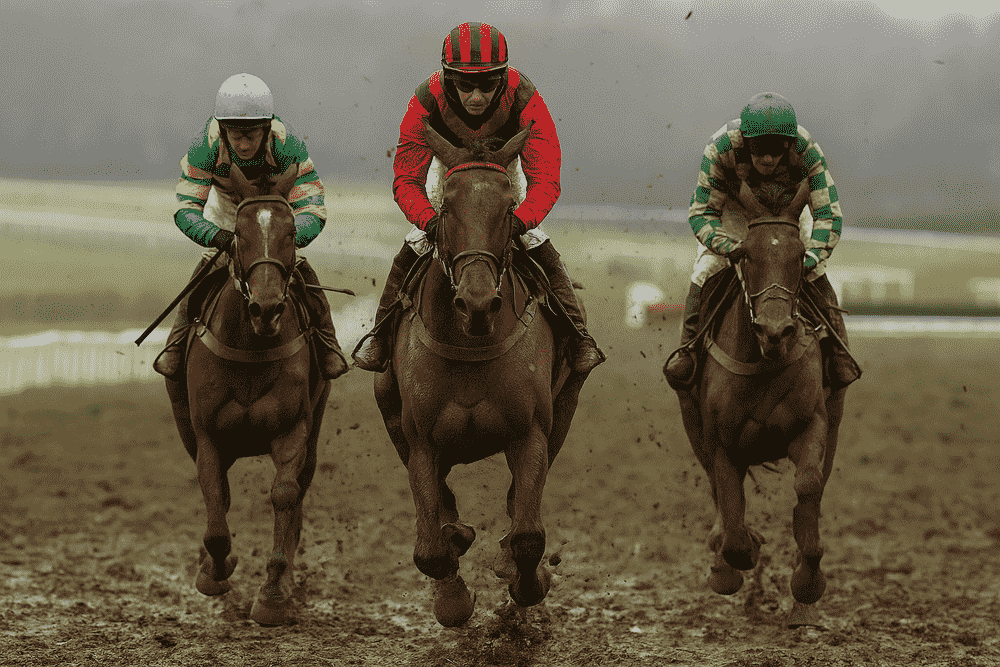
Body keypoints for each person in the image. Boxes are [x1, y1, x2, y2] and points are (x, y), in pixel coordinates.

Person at [352, 21, 604, 375]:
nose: (475, 96)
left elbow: (546, 179)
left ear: (502, 78)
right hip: (447, 177)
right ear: (447, 77)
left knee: (536, 241)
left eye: (486, 85)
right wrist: (430, 221)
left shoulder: (525, 96)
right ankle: (379, 338)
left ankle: (579, 338)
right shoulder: (424, 100)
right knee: (415, 245)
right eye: (465, 85)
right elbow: (407, 180)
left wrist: (519, 219)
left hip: (505, 178)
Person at [153, 73, 348, 380]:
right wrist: (218, 237)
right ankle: (176, 344)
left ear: (266, 129)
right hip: (229, 209)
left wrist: (291, 237)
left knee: (300, 267)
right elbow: (186, 206)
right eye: (235, 136)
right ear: (223, 129)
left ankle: (328, 344)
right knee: (207, 265)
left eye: (252, 136)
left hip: (276, 207)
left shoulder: (287, 143)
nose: (243, 144)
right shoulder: (205, 144)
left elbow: (312, 204)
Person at [664, 92, 859, 390]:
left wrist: (808, 259)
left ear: (789, 143)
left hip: (788, 215)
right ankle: (688, 348)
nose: (767, 159)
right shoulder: (721, 148)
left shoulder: (807, 150)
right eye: (759, 150)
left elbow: (827, 214)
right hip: (734, 213)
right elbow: (703, 212)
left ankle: (838, 350)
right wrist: (730, 248)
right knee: (706, 268)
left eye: (776, 150)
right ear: (745, 141)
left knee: (816, 272)